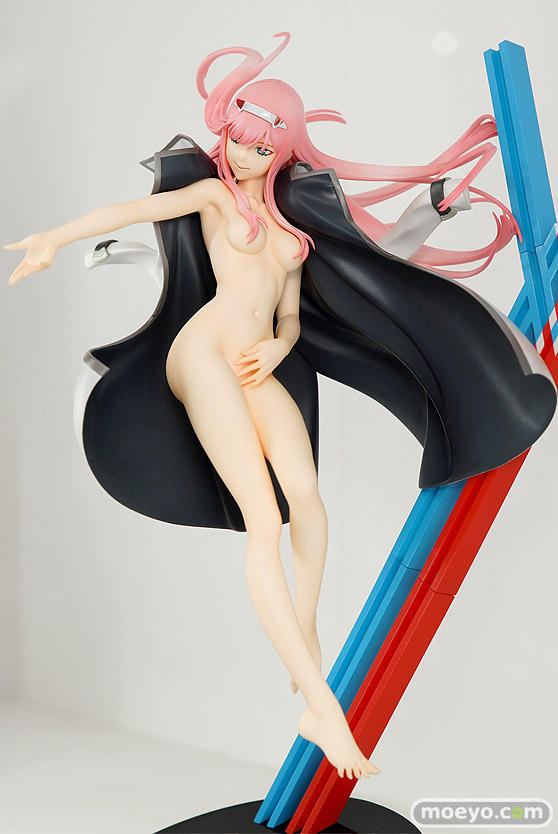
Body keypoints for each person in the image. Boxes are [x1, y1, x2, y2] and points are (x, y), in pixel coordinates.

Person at [5, 33, 556, 780]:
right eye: (236, 140)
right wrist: (53, 238)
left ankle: (304, 631)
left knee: (307, 501)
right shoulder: (212, 196)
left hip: (254, 361)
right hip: (201, 355)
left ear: (285, 150)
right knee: (264, 521)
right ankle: (320, 705)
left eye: (261, 148)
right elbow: (133, 208)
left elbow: (289, 314)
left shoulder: (294, 234)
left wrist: (279, 345)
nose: (242, 156)